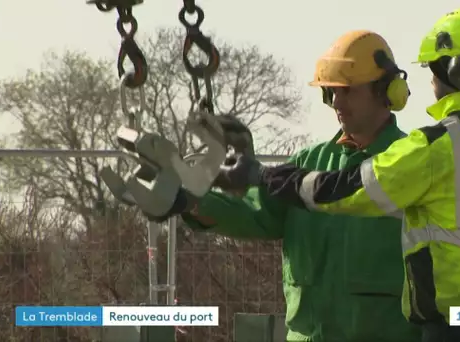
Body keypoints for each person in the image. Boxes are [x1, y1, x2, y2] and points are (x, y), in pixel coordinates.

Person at [212, 8, 460, 342]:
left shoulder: (436, 146)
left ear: (456, 72)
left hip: (446, 331)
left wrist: (263, 175)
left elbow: (349, 190)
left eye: (432, 70)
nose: (430, 81)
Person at [147, 30, 421, 341]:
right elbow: (254, 213)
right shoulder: (308, 162)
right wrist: (188, 202)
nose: (336, 103)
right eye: (330, 92)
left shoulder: (412, 164)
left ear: (386, 91)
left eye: (347, 91)